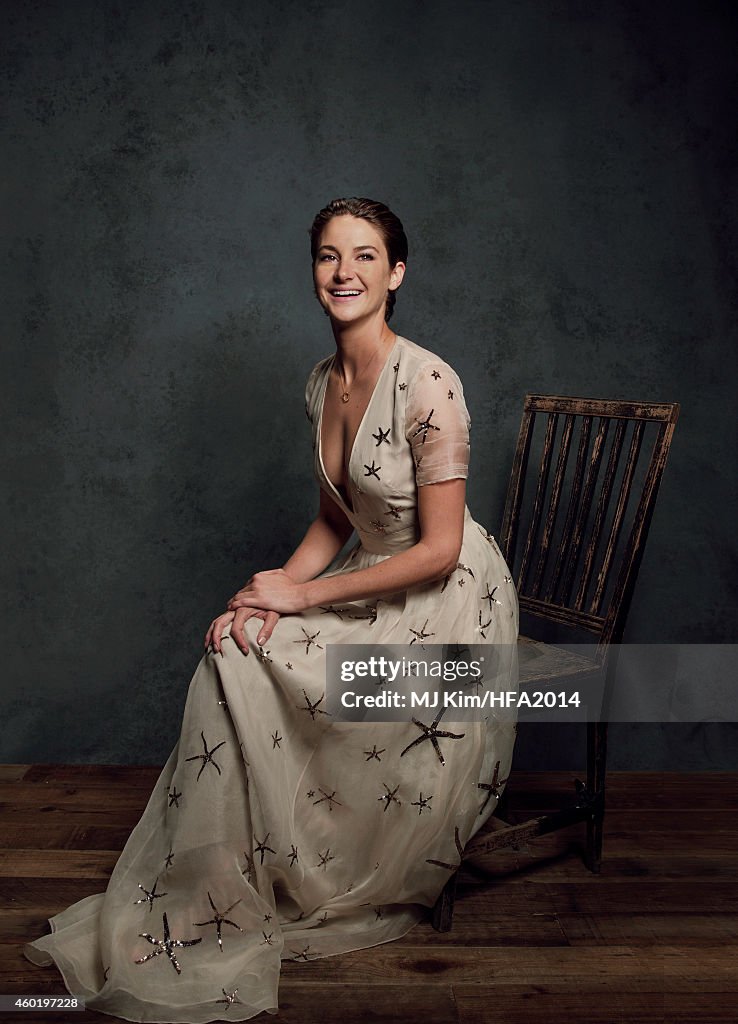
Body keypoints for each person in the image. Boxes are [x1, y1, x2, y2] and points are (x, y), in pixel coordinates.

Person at [25, 197, 518, 1022]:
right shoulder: (323, 382)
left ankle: (303, 871)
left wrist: (302, 595)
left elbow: (434, 550)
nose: (344, 272)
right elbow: (336, 518)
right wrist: (265, 599)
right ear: (313, 271)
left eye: (365, 257)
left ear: (396, 275)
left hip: (448, 601)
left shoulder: (430, 382)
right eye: (329, 255)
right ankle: (220, 886)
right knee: (237, 645)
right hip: (370, 575)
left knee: (280, 650)